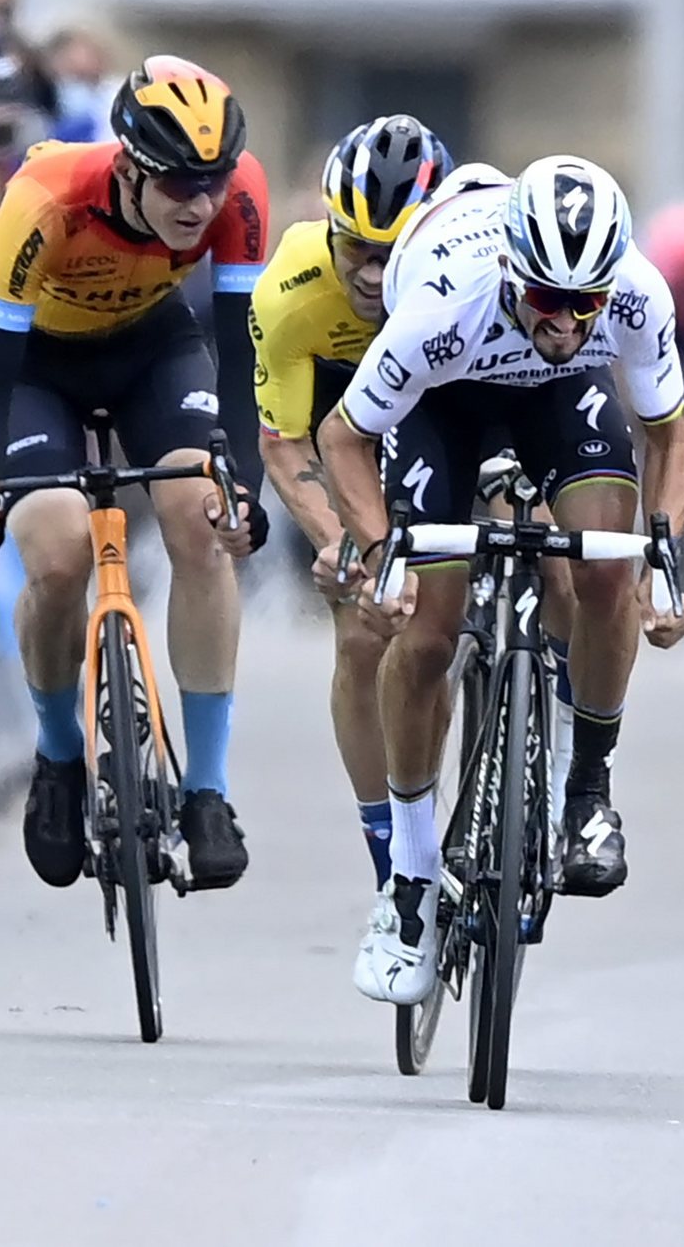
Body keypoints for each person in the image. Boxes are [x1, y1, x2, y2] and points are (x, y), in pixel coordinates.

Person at [318, 155, 684, 1005]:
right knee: (425, 632)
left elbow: (670, 436)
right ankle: (411, 880)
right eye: (548, 300)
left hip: (558, 400)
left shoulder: (633, 294)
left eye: (585, 303)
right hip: (442, 403)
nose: (567, 321)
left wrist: (663, 555)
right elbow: (342, 440)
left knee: (604, 565)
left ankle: (587, 793)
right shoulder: (438, 307)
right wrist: (381, 552)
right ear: (510, 271)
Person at [0, 55, 269, 892]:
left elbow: (240, 357)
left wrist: (246, 494)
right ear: (127, 165)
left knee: (203, 520)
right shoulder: (45, 196)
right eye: (178, 186)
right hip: (38, 371)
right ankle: (57, 759)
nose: (200, 205)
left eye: (214, 182)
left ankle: (207, 791)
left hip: (154, 353)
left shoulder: (239, 197)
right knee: (55, 558)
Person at [252, 112, 451, 888]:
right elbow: (286, 441)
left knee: (444, 617)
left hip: (446, 404)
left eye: (392, 252)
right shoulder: (293, 289)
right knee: (365, 629)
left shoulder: (473, 274)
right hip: (346, 424)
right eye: (355, 249)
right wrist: (336, 539)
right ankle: (388, 846)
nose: (372, 274)